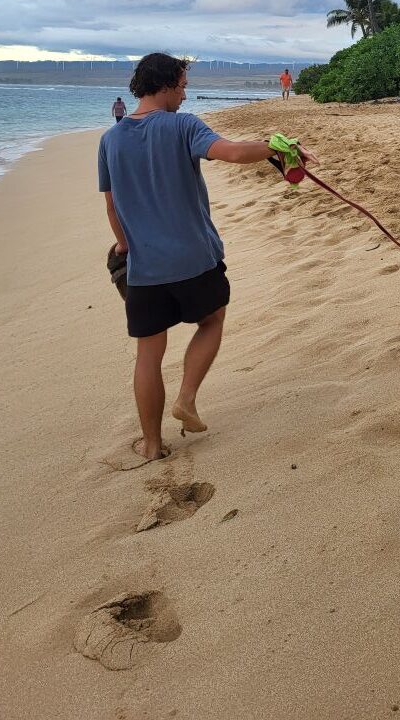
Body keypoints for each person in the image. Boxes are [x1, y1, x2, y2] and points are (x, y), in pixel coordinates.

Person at [98, 52, 314, 463]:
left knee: (148, 353)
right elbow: (231, 152)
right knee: (212, 319)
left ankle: (151, 445)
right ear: (163, 85)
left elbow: (112, 208)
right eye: (181, 85)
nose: (185, 93)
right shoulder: (183, 125)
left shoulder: (109, 140)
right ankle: (187, 399)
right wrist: (278, 146)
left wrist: (124, 245)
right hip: (195, 257)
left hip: (144, 267)